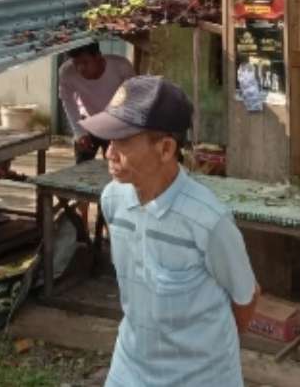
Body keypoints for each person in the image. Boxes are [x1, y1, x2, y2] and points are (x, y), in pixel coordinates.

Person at [81, 76, 260, 387]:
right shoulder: (113, 200)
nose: (109, 154)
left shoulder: (208, 221)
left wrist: (206, 348)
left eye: (122, 141)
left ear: (165, 149)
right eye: (109, 141)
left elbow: (246, 298)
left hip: (201, 377)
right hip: (130, 368)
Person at [58, 42, 135, 164]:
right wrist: (79, 133)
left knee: (116, 165)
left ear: (98, 57)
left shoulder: (121, 66)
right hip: (88, 121)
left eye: (85, 62)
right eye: (76, 63)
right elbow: (68, 102)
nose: (80, 68)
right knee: (81, 167)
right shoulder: (67, 72)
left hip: (115, 121)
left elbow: (132, 99)